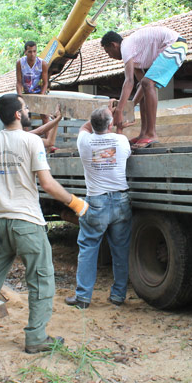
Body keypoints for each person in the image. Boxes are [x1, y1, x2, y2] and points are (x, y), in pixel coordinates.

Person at [0, 94, 88, 354]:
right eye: (25, 108)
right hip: (27, 223)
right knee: (41, 280)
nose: (27, 111)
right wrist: (75, 203)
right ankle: (36, 338)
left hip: (1, 223)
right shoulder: (32, 142)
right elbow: (47, 184)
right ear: (18, 114)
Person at [0, 106, 63, 258]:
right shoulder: (5, 138)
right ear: (17, 117)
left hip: (3, 190)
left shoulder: (25, 139)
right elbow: (39, 133)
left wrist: (56, 121)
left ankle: (1, 250)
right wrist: (55, 120)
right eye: (25, 110)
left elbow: (49, 141)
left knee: (1, 221)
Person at [65, 106, 132, 309]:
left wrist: (100, 115)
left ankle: (83, 297)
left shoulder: (84, 141)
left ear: (91, 124)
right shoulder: (121, 140)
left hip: (96, 203)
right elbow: (123, 150)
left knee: (88, 248)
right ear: (110, 124)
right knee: (120, 251)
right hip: (121, 200)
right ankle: (118, 296)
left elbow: (85, 128)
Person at [101, 27, 188, 148]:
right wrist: (129, 108)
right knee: (143, 84)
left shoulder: (125, 46)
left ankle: (151, 133)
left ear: (113, 45)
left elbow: (129, 81)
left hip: (176, 45)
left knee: (148, 83)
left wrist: (120, 111)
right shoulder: (133, 54)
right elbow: (140, 85)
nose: (109, 56)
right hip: (172, 46)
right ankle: (143, 134)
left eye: (108, 51)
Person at [16, 41, 50, 127]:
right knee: (25, 117)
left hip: (38, 92)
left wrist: (41, 95)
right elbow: (19, 82)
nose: (32, 54)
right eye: (30, 52)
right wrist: (20, 97)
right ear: (25, 52)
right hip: (26, 93)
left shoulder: (42, 63)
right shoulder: (20, 63)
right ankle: (26, 138)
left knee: (45, 115)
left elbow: (45, 83)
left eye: (34, 51)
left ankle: (48, 139)